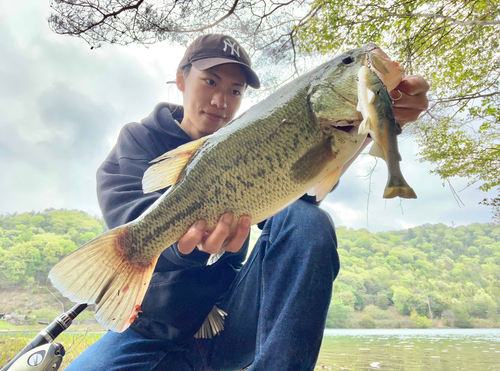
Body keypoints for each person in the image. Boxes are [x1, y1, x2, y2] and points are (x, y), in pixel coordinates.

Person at [66, 34, 429, 371]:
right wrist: (186, 248)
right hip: (149, 329)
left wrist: (375, 119)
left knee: (307, 220)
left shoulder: (257, 136)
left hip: (230, 322)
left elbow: (304, 195)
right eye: (210, 82)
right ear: (181, 80)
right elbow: (129, 217)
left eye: (235, 90)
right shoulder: (139, 139)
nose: (221, 101)